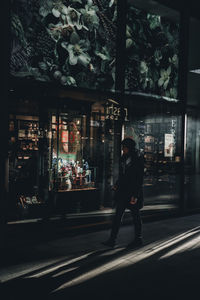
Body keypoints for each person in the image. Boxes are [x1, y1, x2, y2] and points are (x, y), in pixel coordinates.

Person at [102, 138, 144, 248]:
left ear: (129, 148)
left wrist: (135, 195)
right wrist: (117, 184)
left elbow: (139, 179)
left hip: (132, 192)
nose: (123, 149)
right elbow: (123, 176)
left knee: (136, 216)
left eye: (124, 147)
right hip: (123, 192)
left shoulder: (137, 159)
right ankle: (112, 239)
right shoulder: (123, 159)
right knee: (117, 216)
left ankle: (138, 239)